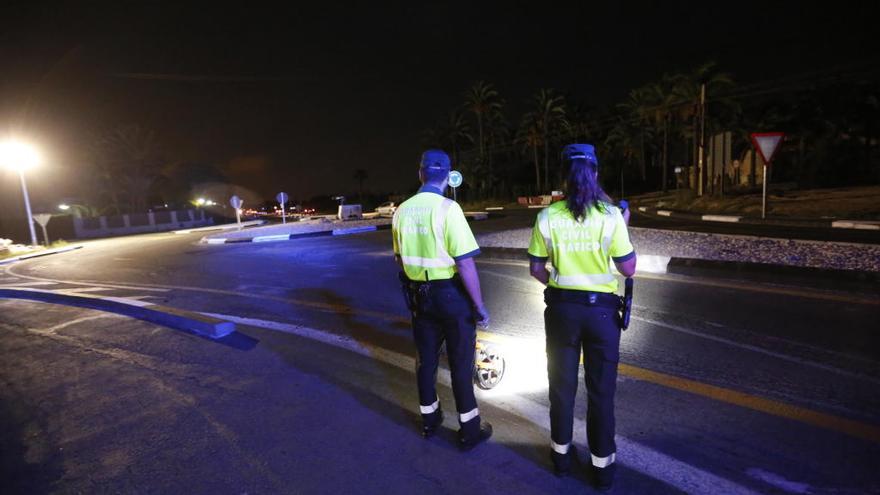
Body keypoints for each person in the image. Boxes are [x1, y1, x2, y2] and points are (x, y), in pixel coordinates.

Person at [527, 143, 636, 491]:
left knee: (561, 387)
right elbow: (629, 267)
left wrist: (559, 285)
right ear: (596, 173)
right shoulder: (610, 215)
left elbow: (535, 268)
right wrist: (624, 224)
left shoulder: (547, 216)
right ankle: (602, 468)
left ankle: (560, 459)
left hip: (561, 311)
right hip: (601, 313)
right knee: (601, 391)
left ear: (564, 175)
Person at [392, 149, 493, 450]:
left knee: (426, 362)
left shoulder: (401, 211)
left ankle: (429, 421)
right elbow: (464, 263)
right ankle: (469, 430)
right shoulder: (449, 209)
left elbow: (399, 259)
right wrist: (479, 306)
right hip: (450, 296)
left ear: (420, 174)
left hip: (419, 297)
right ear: (448, 177)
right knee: (461, 364)